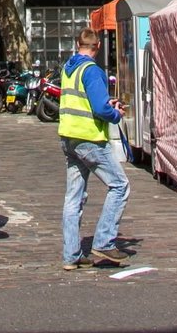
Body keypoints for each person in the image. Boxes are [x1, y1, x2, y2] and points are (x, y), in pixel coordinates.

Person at [59, 26, 129, 270]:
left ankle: (71, 255)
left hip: (68, 137)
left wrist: (105, 105)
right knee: (120, 186)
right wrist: (116, 113)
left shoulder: (69, 68)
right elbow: (100, 108)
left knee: (74, 197)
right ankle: (104, 241)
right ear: (97, 47)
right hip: (89, 139)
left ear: (77, 45)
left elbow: (84, 99)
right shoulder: (92, 70)